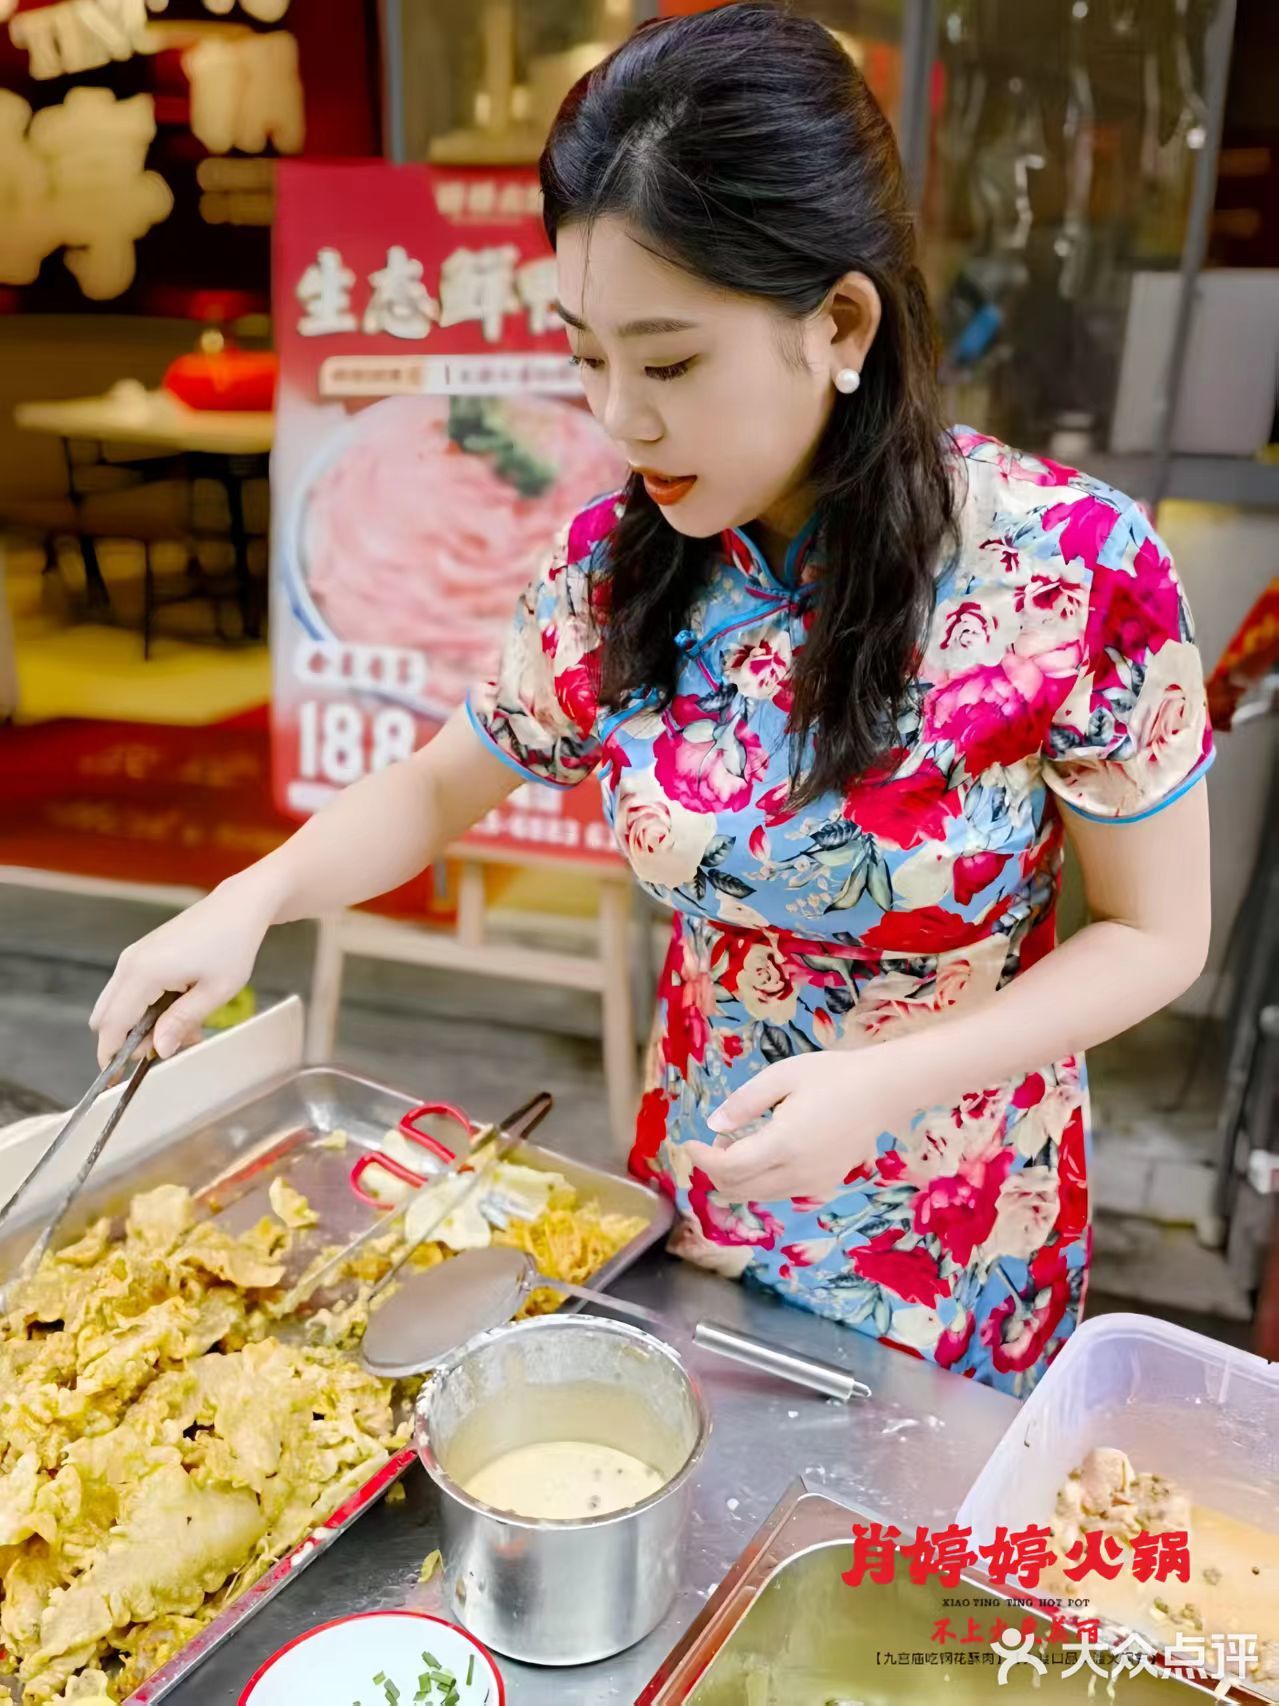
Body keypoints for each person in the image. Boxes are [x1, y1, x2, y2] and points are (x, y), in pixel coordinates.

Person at [91, 3, 1213, 1396]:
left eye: (669, 361)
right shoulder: (623, 567)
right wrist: (246, 898)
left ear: (840, 321)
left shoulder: (1074, 569)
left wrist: (893, 1079)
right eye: (587, 354)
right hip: (696, 1196)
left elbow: (1162, 934)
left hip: (960, 1226)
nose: (618, 417)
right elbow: (445, 779)